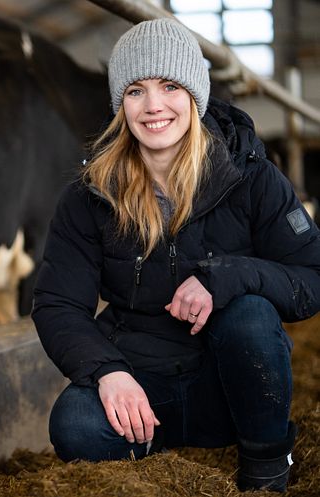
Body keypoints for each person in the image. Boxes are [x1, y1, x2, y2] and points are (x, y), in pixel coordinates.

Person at [31, 17, 320, 493]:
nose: (154, 106)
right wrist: (109, 372)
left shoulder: (251, 178)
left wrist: (227, 277)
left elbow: (312, 276)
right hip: (145, 382)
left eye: (169, 85)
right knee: (74, 423)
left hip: (231, 387)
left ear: (195, 95)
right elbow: (58, 304)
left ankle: (265, 461)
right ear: (119, 104)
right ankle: (151, 444)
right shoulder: (90, 196)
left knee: (249, 313)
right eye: (135, 91)